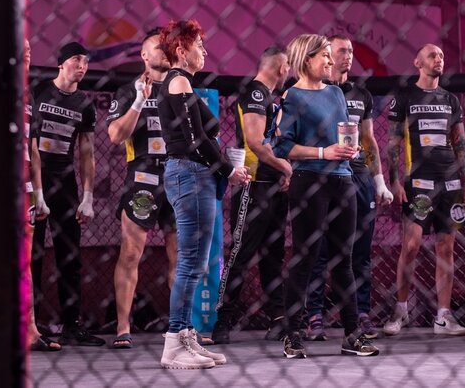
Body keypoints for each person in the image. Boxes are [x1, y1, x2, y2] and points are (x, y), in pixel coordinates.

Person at [273, 33, 380, 359]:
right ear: (307, 60)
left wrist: (349, 149)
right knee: (305, 259)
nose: (331, 61)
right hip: (309, 181)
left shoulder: (335, 93)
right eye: (325, 56)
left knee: (344, 261)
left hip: (343, 180)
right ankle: (293, 335)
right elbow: (283, 146)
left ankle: (352, 335)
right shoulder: (291, 96)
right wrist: (323, 151)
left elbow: (343, 136)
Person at [156, 19, 250, 369]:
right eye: (199, 45)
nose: (205, 52)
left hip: (195, 175)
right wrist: (229, 170)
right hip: (190, 174)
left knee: (193, 262)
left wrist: (225, 168)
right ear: (182, 50)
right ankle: (174, 343)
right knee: (191, 261)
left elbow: (201, 138)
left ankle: (186, 335)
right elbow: (195, 140)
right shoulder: (178, 80)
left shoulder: (183, 83)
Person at [382, 44, 465, 337]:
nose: (439, 59)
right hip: (417, 181)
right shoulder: (405, 97)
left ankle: (443, 317)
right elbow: (393, 144)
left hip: (449, 182)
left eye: (441, 56)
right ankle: (400, 310)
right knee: (411, 246)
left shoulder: (450, 100)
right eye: (432, 55)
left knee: (446, 247)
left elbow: (460, 142)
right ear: (418, 62)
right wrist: (394, 181)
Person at [303, 35, 393, 341]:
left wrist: (379, 181)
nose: (348, 55)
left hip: (358, 177)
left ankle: (360, 313)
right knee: (319, 250)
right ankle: (315, 315)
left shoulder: (361, 94)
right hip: (324, 176)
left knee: (360, 251)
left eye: (351, 51)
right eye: (342, 50)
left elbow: (369, 139)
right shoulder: (314, 90)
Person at [211, 46, 292, 344]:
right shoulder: (255, 94)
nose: (289, 72)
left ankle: (278, 319)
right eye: (288, 67)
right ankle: (222, 321)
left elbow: (274, 142)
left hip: (273, 185)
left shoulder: (271, 98)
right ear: (281, 67)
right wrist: (285, 167)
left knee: (273, 254)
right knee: (241, 254)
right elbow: (256, 143)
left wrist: (283, 169)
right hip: (253, 185)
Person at [107, 29, 177, 349]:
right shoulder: (127, 91)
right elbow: (115, 135)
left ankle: (179, 327)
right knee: (131, 253)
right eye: (158, 47)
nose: (165, 50)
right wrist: (138, 100)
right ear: (144, 55)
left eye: (169, 46)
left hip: (177, 176)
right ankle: (123, 327)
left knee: (180, 256)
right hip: (143, 178)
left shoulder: (180, 89)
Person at [30, 41, 102, 346]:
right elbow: (29, 141)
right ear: (61, 63)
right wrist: (36, 192)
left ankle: (72, 325)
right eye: (76, 59)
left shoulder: (85, 104)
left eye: (85, 61)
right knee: (31, 253)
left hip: (65, 182)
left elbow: (86, 152)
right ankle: (30, 324)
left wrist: (87, 197)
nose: (82, 66)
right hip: (35, 179)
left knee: (70, 255)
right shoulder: (38, 92)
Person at [23, 40, 61, 352]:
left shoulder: (28, 96)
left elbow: (33, 150)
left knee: (23, 261)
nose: (26, 53)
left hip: (23, 189)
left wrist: (38, 193)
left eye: (28, 49)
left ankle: (30, 330)